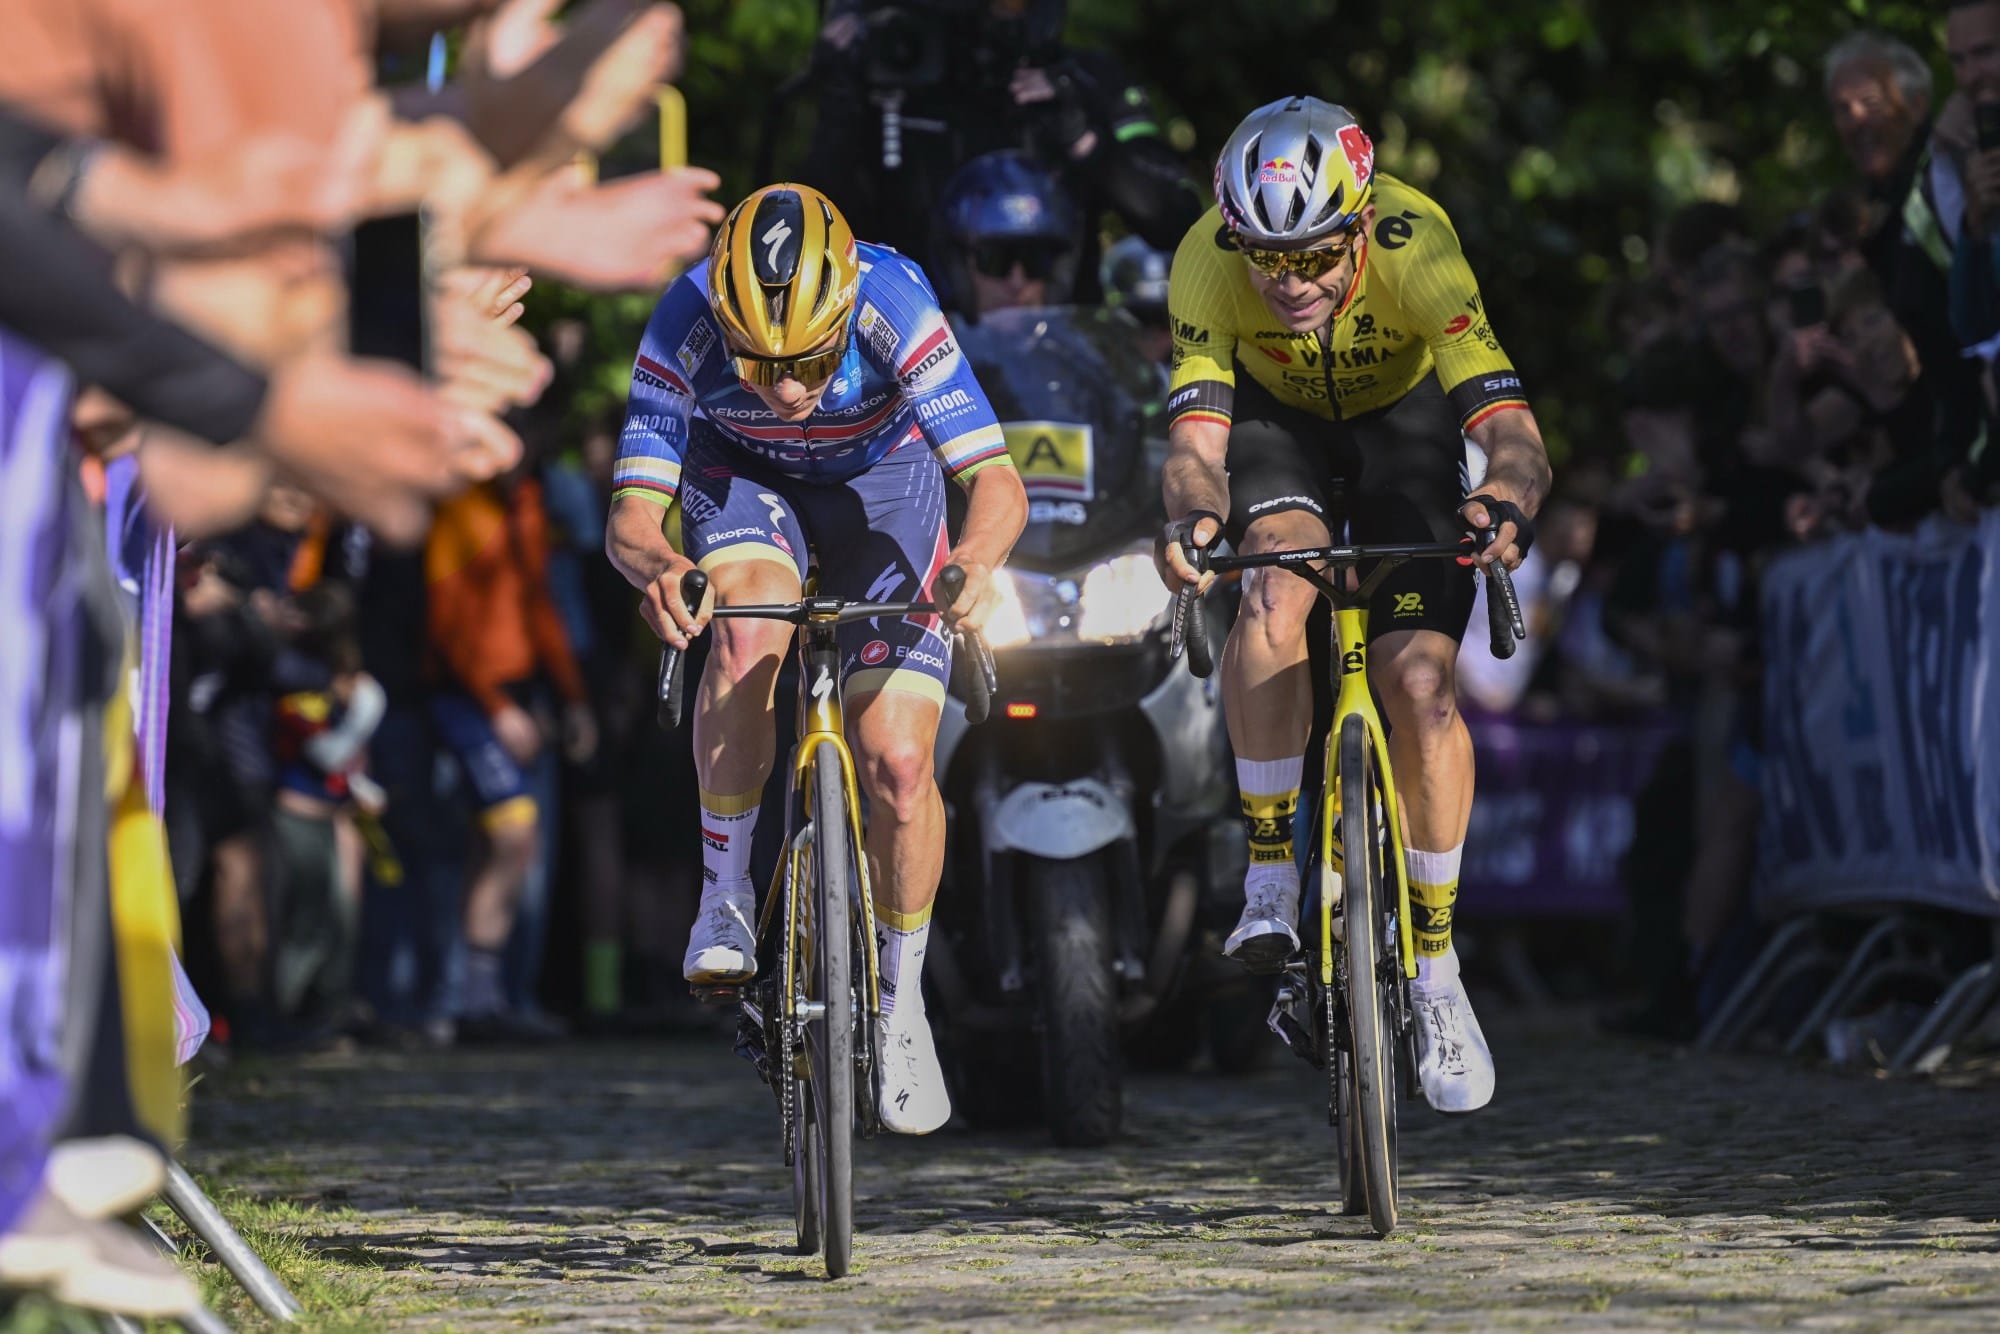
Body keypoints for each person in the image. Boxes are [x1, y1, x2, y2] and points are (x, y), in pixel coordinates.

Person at [1157, 97, 1551, 1115]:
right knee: (1271, 591)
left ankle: (1435, 971)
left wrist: (1505, 497)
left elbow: (1507, 428)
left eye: (1315, 257)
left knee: (1417, 682)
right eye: (1264, 259)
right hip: (1276, 426)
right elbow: (1196, 451)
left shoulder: (1418, 245)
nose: (1287, 284)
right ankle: (1270, 873)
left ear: (1361, 223)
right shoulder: (1204, 255)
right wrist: (1195, 524)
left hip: (1403, 427)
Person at [605, 184, 1027, 1134]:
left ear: (843, 315)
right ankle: (724, 899)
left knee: (901, 766)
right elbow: (631, 518)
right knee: (749, 633)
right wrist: (665, 565)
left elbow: (995, 483)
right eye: (757, 361)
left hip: (886, 478)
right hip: (743, 478)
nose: (784, 387)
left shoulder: (895, 305)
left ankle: (903, 997)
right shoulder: (684, 324)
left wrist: (974, 565)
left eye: (806, 359)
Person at [795, 0, 1199, 299]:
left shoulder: (1084, 83)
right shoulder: (895, 75)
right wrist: (840, 101)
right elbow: (814, 232)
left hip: (1060, 360)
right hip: (915, 353)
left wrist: (1084, 138)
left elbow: (1177, 220)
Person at [934, 150, 1080, 318]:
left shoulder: (1085, 344)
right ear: (959, 269)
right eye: (996, 261)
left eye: (1036, 261)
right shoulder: (918, 343)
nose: (1017, 283)